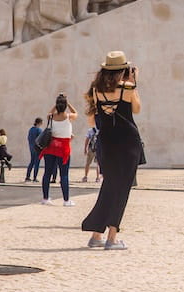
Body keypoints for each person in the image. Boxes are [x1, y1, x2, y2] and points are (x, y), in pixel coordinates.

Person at [82, 50, 143, 250]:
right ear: (124, 69)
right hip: (127, 143)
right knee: (121, 190)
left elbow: (93, 118)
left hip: (106, 143)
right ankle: (112, 238)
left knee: (109, 187)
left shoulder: (96, 90)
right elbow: (136, 109)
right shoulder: (128, 87)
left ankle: (96, 235)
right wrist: (134, 81)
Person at [40, 93, 78, 206]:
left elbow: (49, 113)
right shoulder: (68, 117)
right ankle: (66, 200)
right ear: (65, 106)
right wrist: (67, 102)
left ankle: (45, 198)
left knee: (47, 173)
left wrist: (56, 104)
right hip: (63, 148)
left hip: (51, 147)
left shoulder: (51, 117)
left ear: (57, 105)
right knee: (64, 174)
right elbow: (76, 113)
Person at [25, 118, 43, 182]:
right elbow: (41, 139)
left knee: (32, 162)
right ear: (40, 123)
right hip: (37, 148)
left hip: (31, 147)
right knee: (37, 163)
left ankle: (27, 176)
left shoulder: (31, 129)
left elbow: (28, 138)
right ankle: (35, 177)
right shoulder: (39, 130)